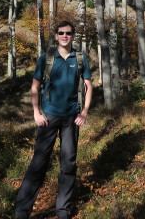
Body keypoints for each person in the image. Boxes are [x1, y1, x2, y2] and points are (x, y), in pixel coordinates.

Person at [15, 20, 93, 219]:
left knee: (68, 163)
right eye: (61, 33)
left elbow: (88, 86)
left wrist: (84, 112)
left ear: (73, 35)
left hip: (71, 118)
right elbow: (35, 87)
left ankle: (63, 211)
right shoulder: (47, 58)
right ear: (56, 35)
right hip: (49, 117)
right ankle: (22, 211)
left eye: (68, 33)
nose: (65, 36)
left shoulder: (80, 58)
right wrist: (36, 112)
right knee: (39, 162)